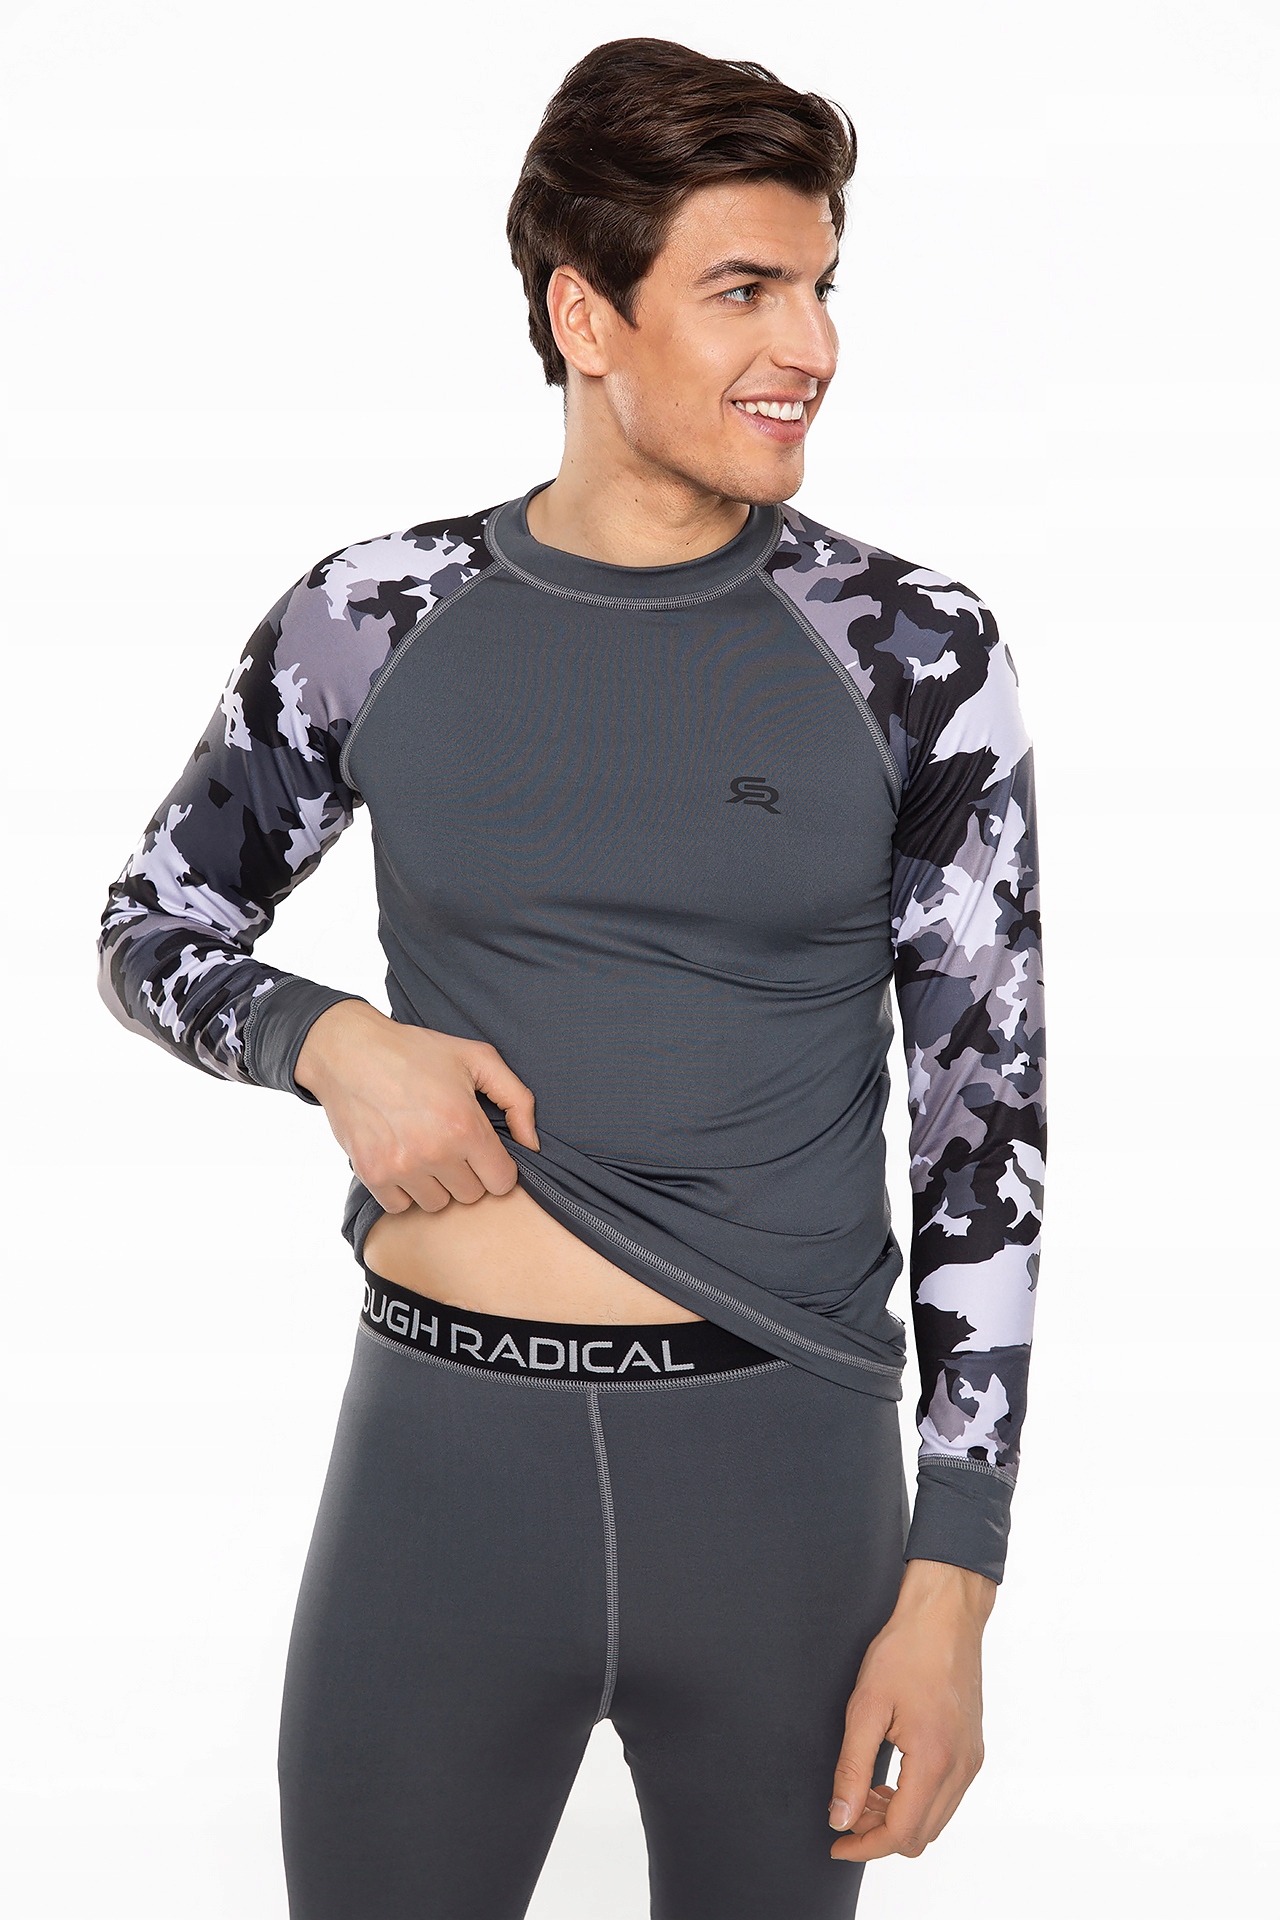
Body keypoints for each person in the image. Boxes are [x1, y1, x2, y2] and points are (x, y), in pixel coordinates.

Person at [97, 36, 1045, 1920]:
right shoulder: (374, 615)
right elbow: (150, 926)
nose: (811, 346)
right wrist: (327, 1039)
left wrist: (956, 1576)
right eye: (744, 290)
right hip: (440, 1481)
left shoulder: (914, 651)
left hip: (784, 1485)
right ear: (583, 315)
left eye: (822, 287)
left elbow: (986, 1126)